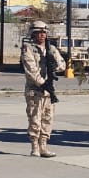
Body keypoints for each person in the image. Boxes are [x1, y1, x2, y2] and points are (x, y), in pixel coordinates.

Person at [22, 20, 65, 157]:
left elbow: (62, 65)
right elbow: (31, 70)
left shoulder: (51, 49)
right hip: (35, 90)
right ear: (33, 34)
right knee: (35, 119)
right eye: (38, 32)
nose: (42, 35)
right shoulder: (28, 48)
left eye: (44, 32)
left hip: (48, 90)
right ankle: (35, 147)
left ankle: (44, 146)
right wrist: (42, 83)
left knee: (47, 118)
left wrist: (53, 65)